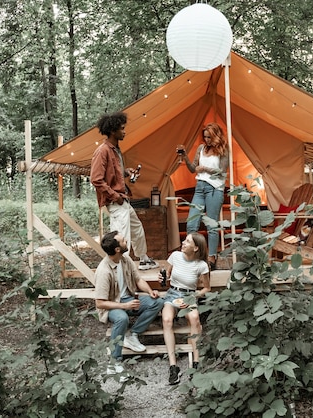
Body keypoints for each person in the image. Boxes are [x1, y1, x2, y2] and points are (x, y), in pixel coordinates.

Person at [90, 111, 158, 270]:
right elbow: (96, 179)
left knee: (137, 230)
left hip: (123, 199)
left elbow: (113, 174)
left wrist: (126, 172)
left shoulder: (115, 150)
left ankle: (143, 259)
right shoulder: (103, 151)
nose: (124, 131)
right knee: (121, 237)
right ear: (113, 131)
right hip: (116, 201)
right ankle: (122, 271)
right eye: (121, 128)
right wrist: (115, 196)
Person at [95, 231, 164, 360]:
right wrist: (125, 306)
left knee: (158, 302)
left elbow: (138, 280)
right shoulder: (104, 271)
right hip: (112, 305)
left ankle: (133, 334)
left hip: (128, 299)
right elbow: (100, 303)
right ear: (117, 249)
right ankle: (115, 361)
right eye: (123, 241)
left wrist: (150, 291)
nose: (126, 240)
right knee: (122, 318)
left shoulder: (125, 259)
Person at [160, 232, 211, 385]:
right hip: (172, 294)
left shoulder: (201, 265)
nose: (183, 242)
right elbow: (167, 276)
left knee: (195, 318)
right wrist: (162, 278)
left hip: (189, 295)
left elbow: (207, 288)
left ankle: (196, 364)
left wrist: (191, 298)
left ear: (196, 248)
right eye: (184, 240)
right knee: (167, 319)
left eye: (187, 241)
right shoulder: (175, 256)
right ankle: (173, 366)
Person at [180, 122, 229, 270]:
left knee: (211, 225)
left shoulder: (223, 150)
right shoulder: (201, 148)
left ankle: (212, 256)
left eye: (209, 137)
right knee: (191, 224)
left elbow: (222, 171)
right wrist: (185, 156)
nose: (207, 140)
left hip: (215, 188)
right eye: (205, 137)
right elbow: (193, 168)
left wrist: (205, 169)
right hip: (200, 187)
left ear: (216, 136)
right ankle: (194, 255)